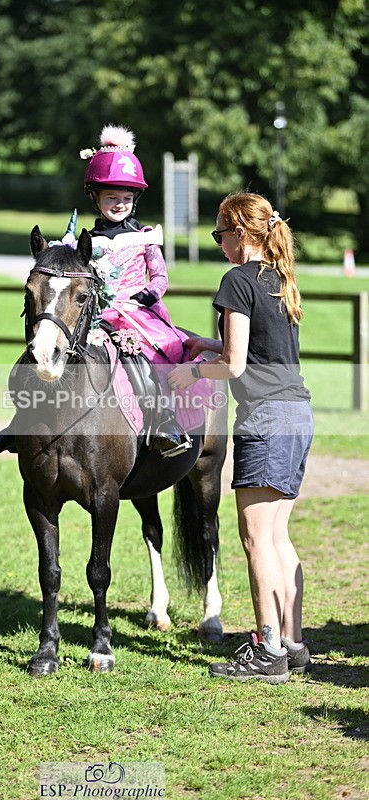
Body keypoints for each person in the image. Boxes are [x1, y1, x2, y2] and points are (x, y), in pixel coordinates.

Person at [0, 125, 209, 457]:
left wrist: (148, 295)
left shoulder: (144, 237)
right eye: (112, 198)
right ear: (95, 197)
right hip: (92, 314)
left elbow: (160, 277)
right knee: (38, 356)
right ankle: (22, 422)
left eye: (127, 199)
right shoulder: (81, 243)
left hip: (137, 314)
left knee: (152, 359)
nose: (120, 204)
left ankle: (165, 421)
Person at [168, 191, 313, 683]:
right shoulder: (278, 279)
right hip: (297, 413)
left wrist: (193, 374)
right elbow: (256, 348)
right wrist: (206, 342)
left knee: (255, 539)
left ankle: (266, 649)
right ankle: (292, 643)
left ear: (242, 234)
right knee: (277, 535)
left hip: (266, 420)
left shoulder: (236, 280)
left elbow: (233, 365)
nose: (219, 244)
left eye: (221, 234)